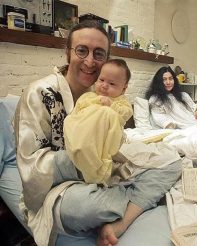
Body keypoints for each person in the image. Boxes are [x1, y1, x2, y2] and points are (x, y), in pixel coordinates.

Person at [14, 21, 182, 246]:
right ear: (67, 53)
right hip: (62, 188)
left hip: (106, 171)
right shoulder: (40, 93)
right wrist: (84, 157)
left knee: (172, 161)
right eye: (82, 50)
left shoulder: (105, 93)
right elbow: (31, 167)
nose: (90, 61)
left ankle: (121, 221)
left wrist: (111, 151)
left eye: (99, 54)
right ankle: (139, 197)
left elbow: (115, 141)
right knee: (84, 208)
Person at [64, 58, 133, 186]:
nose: (104, 85)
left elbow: (126, 114)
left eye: (112, 84)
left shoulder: (121, 102)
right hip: (85, 133)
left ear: (124, 88)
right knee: (69, 120)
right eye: (101, 80)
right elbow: (77, 113)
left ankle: (98, 169)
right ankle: (82, 155)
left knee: (107, 114)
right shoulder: (88, 96)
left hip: (105, 138)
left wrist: (111, 105)